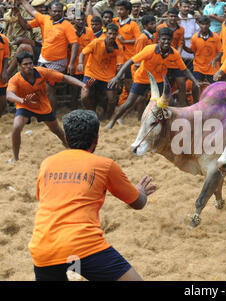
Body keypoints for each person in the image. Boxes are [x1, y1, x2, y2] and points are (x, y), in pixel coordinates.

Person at [29, 109, 156, 281]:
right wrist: (141, 191)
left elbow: (43, 197)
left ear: (66, 138)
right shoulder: (104, 165)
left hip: (43, 249)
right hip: (84, 244)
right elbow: (138, 202)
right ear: (96, 139)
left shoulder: (47, 164)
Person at [105, 27, 200, 129]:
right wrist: (117, 77)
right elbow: (130, 62)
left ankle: (166, 125)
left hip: (158, 80)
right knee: (129, 102)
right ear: (159, 40)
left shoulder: (174, 54)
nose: (166, 42)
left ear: (171, 41)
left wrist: (195, 82)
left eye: (168, 40)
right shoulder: (150, 50)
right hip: (142, 78)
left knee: (169, 101)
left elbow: (185, 70)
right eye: (163, 39)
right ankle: (113, 121)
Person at [6, 52, 88, 162]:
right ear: (19, 66)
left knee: (58, 131)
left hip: (42, 106)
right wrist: (21, 100)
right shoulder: (15, 79)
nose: (29, 66)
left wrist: (82, 85)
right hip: (25, 106)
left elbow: (64, 77)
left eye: (30, 63)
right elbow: (9, 95)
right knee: (16, 127)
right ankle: (15, 159)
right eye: (25, 64)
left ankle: (72, 150)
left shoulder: (42, 72)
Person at [16, 0, 79, 112]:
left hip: (58, 62)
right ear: (49, 11)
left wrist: (71, 63)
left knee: (49, 88)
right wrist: (22, 2)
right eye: (54, 11)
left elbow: (74, 44)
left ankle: (51, 115)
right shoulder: (45, 19)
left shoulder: (67, 25)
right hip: (43, 59)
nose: (57, 13)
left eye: (60, 11)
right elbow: (31, 11)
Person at [78, 23, 124, 120]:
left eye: (114, 34)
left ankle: (108, 119)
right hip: (92, 73)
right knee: (84, 96)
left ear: (117, 35)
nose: (112, 36)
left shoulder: (118, 47)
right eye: (110, 33)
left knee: (112, 100)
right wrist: (80, 63)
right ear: (106, 33)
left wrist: (118, 79)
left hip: (108, 76)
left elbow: (120, 66)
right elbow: (83, 53)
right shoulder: (96, 42)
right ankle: (92, 114)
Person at [183, 15, 222, 84]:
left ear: (209, 24)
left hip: (212, 67)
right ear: (198, 24)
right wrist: (183, 46)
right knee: (196, 86)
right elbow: (192, 50)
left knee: (214, 87)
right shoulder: (194, 37)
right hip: (198, 67)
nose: (204, 26)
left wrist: (215, 59)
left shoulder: (216, 37)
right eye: (202, 24)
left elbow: (220, 51)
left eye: (206, 24)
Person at [0, 32, 9, 117]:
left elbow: (6, 56)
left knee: (3, 104)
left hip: (0, 76)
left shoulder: (3, 39)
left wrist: (4, 71)